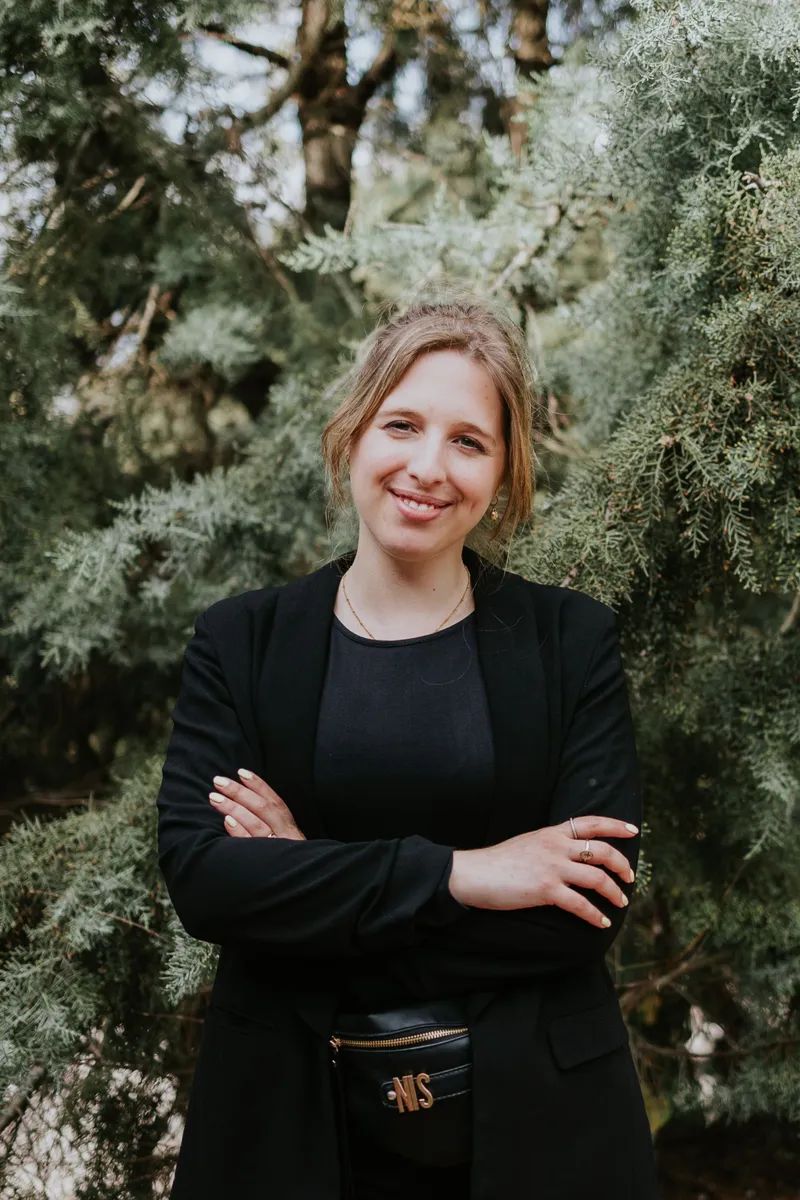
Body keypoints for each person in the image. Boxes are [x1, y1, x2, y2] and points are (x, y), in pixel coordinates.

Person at [156, 293, 661, 1199]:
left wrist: (306, 884)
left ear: (504, 472)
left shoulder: (569, 641)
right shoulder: (242, 642)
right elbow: (206, 881)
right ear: (353, 433)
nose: (428, 467)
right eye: (402, 425)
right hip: (286, 1126)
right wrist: (466, 875)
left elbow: (583, 907)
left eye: (469, 441)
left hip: (543, 1133)